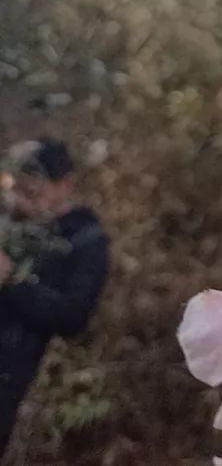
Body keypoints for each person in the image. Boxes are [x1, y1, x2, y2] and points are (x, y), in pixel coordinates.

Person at [0, 139, 108, 456]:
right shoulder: (9, 219)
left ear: (64, 185)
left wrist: (11, 282)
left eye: (32, 191)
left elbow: (72, 316)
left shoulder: (84, 239)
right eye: (15, 188)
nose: (20, 200)